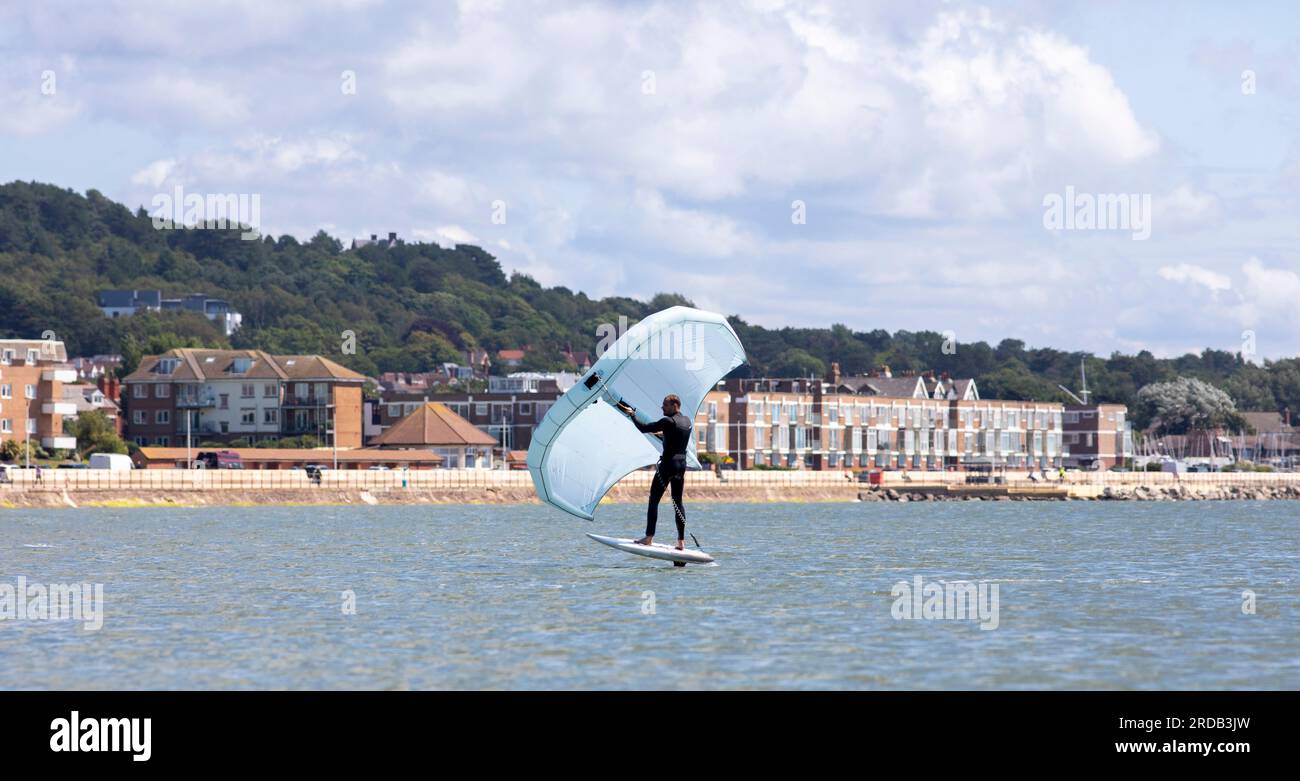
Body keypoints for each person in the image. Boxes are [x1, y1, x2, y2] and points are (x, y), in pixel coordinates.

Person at [615, 394, 691, 550]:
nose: (662, 407)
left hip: (668, 464)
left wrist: (632, 415)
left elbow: (643, 428)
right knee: (678, 502)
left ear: (674, 405)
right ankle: (681, 542)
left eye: (665, 405)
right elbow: (674, 436)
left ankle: (648, 538)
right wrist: (663, 435)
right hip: (682, 465)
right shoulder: (687, 421)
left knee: (654, 500)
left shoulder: (667, 421)